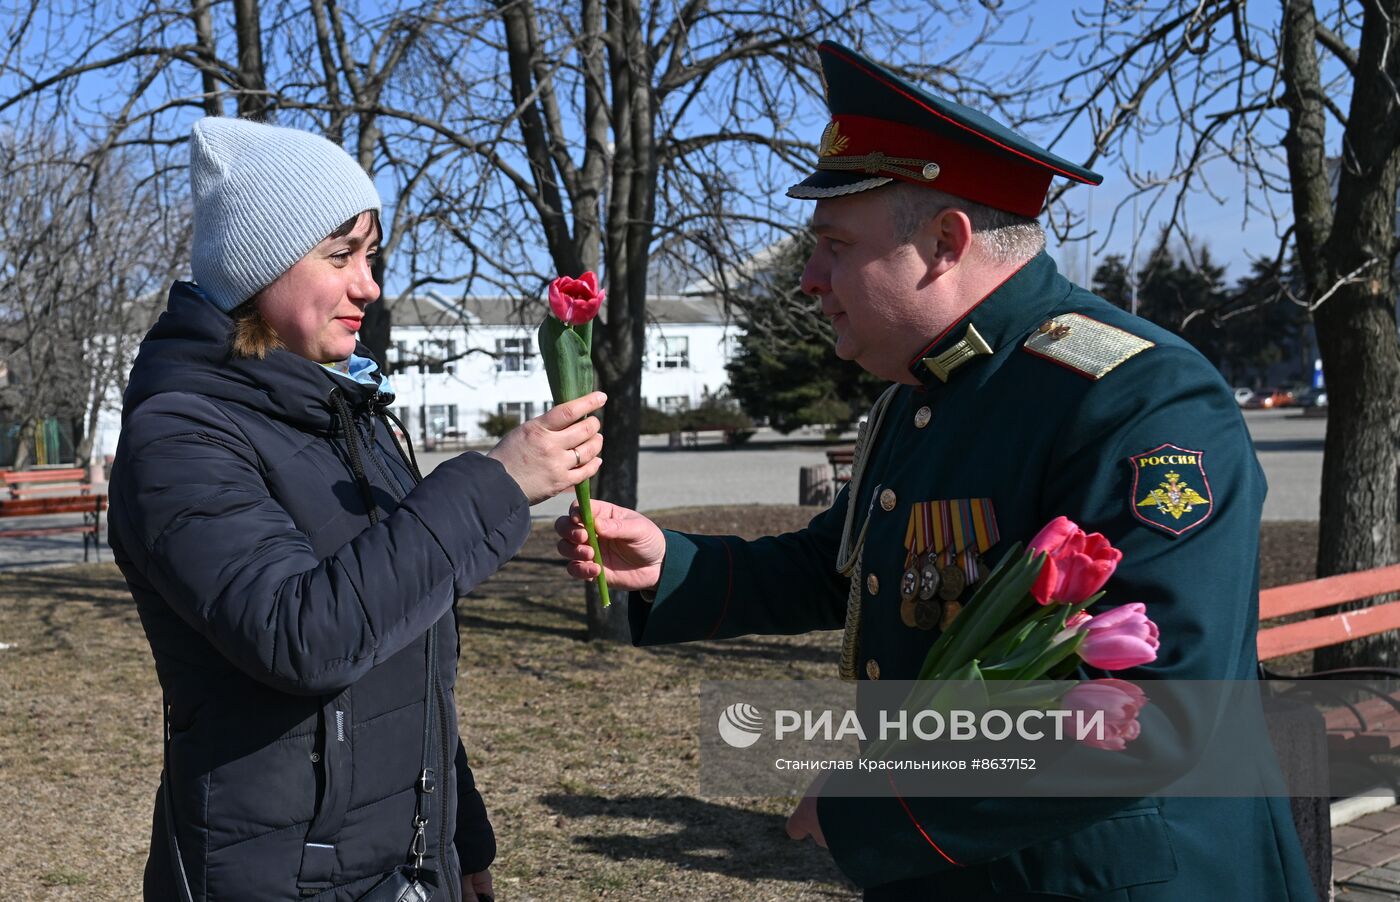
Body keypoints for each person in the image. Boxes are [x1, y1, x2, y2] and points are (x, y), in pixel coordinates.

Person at [554, 41, 1317, 901]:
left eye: (834, 245)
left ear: (945, 243)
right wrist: (673, 564)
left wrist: (880, 799)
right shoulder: (926, 392)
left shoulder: (1137, 397)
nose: (809, 280)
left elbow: (1157, 706)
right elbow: (852, 569)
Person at [109, 116, 605, 902]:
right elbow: (303, 636)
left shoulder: (348, 413)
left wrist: (461, 838)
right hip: (279, 879)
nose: (368, 285)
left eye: (370, 256)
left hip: (404, 866)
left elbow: (407, 643)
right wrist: (497, 482)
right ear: (259, 267)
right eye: (340, 255)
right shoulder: (179, 434)